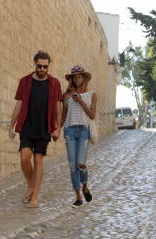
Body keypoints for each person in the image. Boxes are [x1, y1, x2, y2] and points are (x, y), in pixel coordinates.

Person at [9, 51, 63, 208]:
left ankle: (35, 196)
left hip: (44, 126)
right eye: (39, 66)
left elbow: (58, 109)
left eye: (45, 67)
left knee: (38, 159)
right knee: (25, 157)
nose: (42, 69)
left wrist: (58, 128)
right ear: (35, 64)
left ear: (48, 66)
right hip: (27, 125)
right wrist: (11, 125)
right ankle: (31, 185)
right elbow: (18, 104)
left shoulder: (55, 84)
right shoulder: (25, 82)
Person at [61, 65, 97, 208]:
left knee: (81, 163)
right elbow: (63, 115)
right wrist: (57, 129)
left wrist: (81, 101)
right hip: (69, 131)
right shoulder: (66, 95)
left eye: (80, 77)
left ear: (84, 79)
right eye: (75, 77)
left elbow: (92, 115)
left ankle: (85, 187)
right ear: (72, 79)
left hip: (83, 131)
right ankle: (78, 197)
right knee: (72, 165)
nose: (77, 79)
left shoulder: (92, 94)